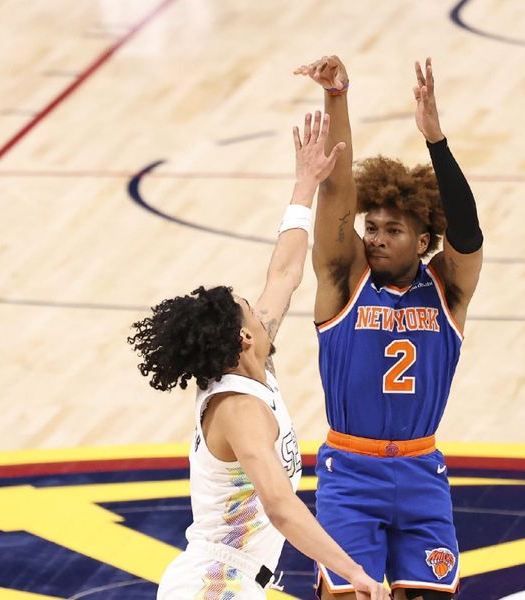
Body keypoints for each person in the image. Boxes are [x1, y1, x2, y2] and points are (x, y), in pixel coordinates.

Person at [127, 111, 387, 600]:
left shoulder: (249, 360)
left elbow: (285, 273)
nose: (261, 310)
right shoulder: (241, 410)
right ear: (244, 339)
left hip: (235, 582)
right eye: (251, 310)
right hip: (213, 586)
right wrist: (354, 572)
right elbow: (281, 508)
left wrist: (304, 186)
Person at [293, 56, 483, 598]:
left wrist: (437, 142)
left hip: (422, 470)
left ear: (423, 241)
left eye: (392, 229)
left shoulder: (448, 287)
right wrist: (338, 97)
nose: (374, 237)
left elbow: (468, 232)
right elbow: (336, 196)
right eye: (370, 227)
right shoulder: (344, 279)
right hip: (351, 472)